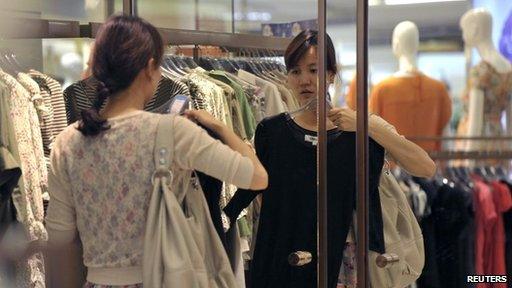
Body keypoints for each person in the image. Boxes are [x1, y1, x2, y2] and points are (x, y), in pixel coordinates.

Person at [45, 15, 268, 288]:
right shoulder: (172, 133)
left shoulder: (67, 143)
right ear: (150, 67)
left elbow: (59, 237)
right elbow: (257, 178)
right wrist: (220, 126)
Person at [223, 30, 436, 288]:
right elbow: (246, 193)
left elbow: (425, 167)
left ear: (331, 74)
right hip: (287, 260)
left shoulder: (360, 130)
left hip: (348, 265)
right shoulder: (272, 132)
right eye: (295, 71)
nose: (304, 81)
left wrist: (365, 125)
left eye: (314, 70)